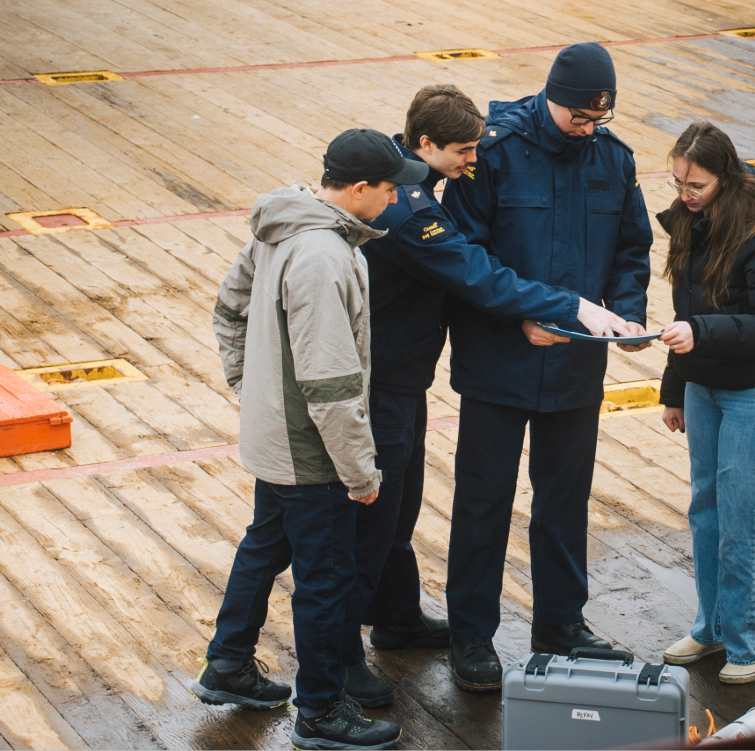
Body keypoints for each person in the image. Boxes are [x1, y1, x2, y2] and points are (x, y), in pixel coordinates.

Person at [346, 84, 629, 687]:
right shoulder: (409, 208)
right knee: (370, 518)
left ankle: (394, 618)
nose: (477, 161)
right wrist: (570, 305)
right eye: (465, 151)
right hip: (380, 380)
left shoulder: (414, 184)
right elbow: (476, 274)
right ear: (426, 144)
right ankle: (341, 661)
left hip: (403, 376)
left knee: (398, 508)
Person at [193, 128, 428, 750]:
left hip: (274, 436)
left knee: (264, 545)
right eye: (389, 190)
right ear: (357, 189)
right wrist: (361, 471)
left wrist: (252, 389)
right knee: (325, 579)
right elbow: (330, 381)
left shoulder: (280, 226)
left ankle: (228, 665)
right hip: (311, 449)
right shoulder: (325, 255)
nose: (396, 201)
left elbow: (228, 308)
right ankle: (321, 711)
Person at [440, 42, 653, 691]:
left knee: (563, 502)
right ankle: (471, 632)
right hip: (498, 364)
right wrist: (518, 320)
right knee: (483, 501)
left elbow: (631, 246)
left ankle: (560, 621)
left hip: (574, 370)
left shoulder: (613, 161)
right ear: (550, 97)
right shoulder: (492, 153)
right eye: (577, 119)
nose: (588, 130)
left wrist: (629, 313)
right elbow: (465, 257)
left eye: (597, 120)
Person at [655, 121, 755, 685]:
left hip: (751, 394)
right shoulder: (690, 220)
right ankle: (714, 626)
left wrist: (701, 334)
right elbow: (683, 306)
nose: (685, 196)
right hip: (702, 386)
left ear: (726, 176)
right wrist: (675, 388)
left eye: (697, 186)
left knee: (743, 518)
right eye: (678, 182)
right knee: (705, 510)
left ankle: (753, 640)